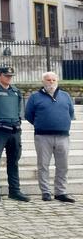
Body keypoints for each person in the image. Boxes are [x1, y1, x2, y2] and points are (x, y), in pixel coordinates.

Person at [25, 71, 75, 203]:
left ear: (57, 81)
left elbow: (70, 113)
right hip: (42, 136)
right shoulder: (35, 97)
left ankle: (61, 192)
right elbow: (28, 115)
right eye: (48, 80)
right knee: (43, 165)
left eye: (53, 80)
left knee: (63, 166)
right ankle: (46, 192)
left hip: (62, 136)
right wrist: (41, 124)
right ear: (43, 82)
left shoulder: (65, 96)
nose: (51, 82)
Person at [0, 66, 30, 202]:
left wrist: (18, 123)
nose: (8, 78)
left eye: (10, 76)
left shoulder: (16, 91)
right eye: (6, 76)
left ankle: (14, 191)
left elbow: (18, 110)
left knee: (14, 161)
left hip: (14, 131)